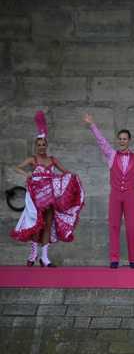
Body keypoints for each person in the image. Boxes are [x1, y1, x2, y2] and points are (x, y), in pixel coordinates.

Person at [11, 111, 85, 267]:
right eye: (39, 145)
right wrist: (27, 174)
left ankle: (44, 258)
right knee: (37, 224)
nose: (41, 147)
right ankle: (33, 253)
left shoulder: (52, 160)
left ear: (47, 146)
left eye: (43, 145)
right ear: (35, 146)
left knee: (48, 224)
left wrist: (74, 177)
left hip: (50, 198)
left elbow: (66, 172)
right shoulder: (33, 159)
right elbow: (17, 167)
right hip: (37, 197)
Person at [84, 113, 134, 269]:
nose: (122, 141)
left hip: (130, 195)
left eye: (125, 138)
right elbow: (101, 142)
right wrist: (93, 125)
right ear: (118, 141)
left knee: (132, 226)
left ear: (129, 140)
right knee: (113, 225)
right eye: (120, 139)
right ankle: (114, 259)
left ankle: (133, 259)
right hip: (115, 195)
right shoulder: (111, 155)